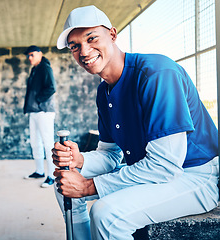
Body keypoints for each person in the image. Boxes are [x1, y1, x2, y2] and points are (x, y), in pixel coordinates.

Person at [52, 5, 219, 240]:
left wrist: (88, 186)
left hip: (194, 175)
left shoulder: (157, 73)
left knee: (106, 214)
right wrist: (80, 160)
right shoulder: (104, 92)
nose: (84, 51)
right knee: (63, 186)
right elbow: (110, 155)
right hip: (151, 172)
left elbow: (164, 166)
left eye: (91, 38)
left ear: (112, 34)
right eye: (75, 46)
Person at [23, 45, 57, 188]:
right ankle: (39, 171)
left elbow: (51, 88)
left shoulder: (45, 68)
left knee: (48, 143)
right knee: (35, 142)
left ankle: (52, 175)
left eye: (32, 55)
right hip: (34, 111)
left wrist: (38, 101)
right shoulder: (35, 69)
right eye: (28, 56)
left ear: (39, 54)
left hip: (44, 111)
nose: (29, 58)